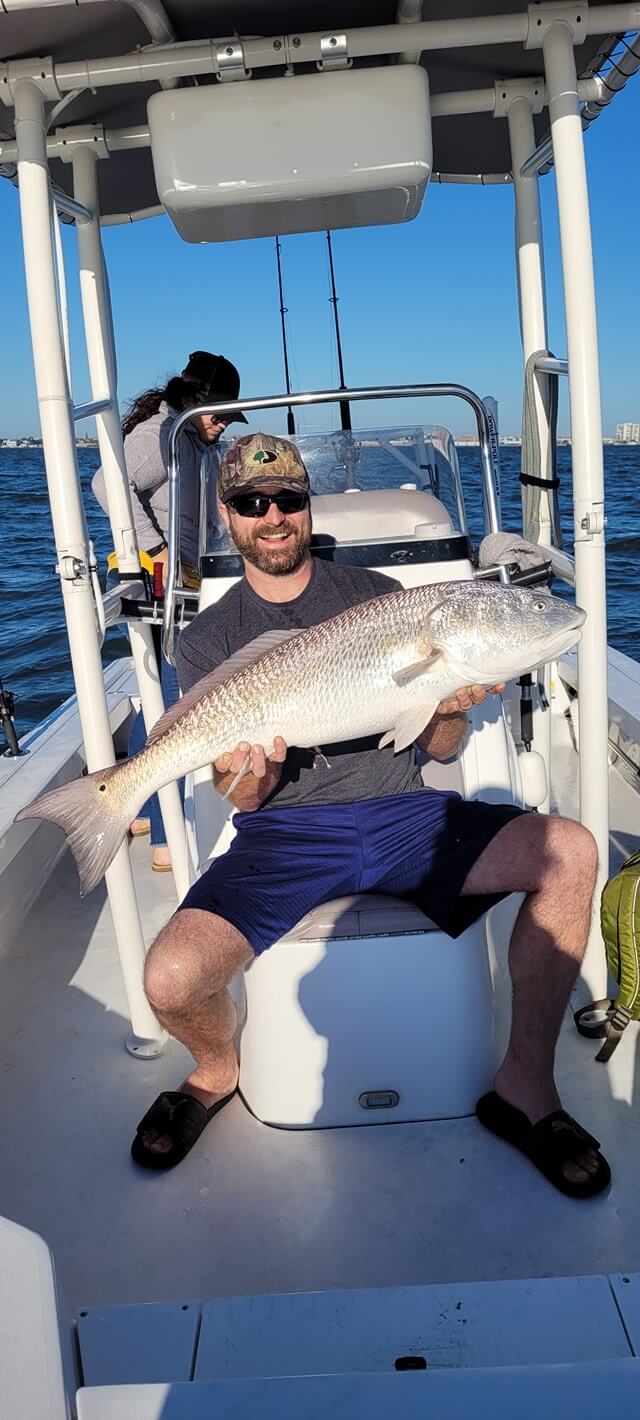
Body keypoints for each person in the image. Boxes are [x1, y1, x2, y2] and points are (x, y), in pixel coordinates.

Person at [130, 433, 610, 1200]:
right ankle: (217, 1070)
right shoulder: (207, 638)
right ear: (227, 518)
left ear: (306, 504)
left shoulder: (380, 595)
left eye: (288, 498)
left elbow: (441, 749)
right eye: (253, 504)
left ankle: (526, 1086)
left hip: (403, 815)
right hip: (284, 834)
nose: (274, 515)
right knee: (170, 978)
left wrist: (450, 707)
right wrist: (244, 774)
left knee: (572, 853)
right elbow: (244, 799)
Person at [92, 351, 247, 870]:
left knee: (161, 692)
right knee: (179, 698)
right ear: (193, 401)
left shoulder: (200, 441)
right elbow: (103, 485)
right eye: (219, 413)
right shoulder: (161, 436)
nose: (223, 423)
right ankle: (163, 836)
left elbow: (208, 510)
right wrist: (153, 548)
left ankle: (137, 809)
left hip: (189, 580)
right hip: (161, 581)